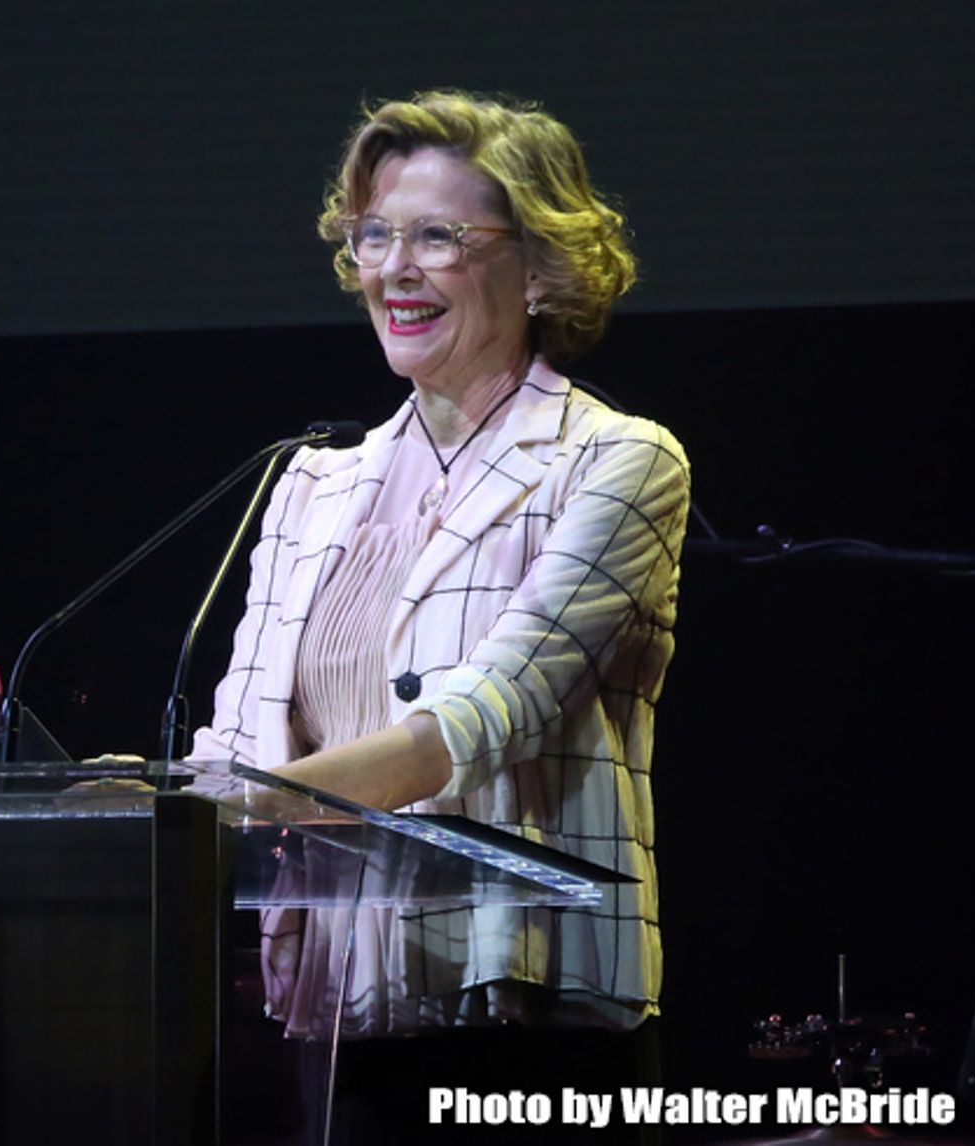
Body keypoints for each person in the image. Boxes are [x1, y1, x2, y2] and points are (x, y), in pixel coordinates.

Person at [188, 90, 689, 1143]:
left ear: (542, 264)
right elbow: (237, 741)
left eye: (437, 237)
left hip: (525, 1022)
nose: (392, 268)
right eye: (374, 235)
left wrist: (200, 816)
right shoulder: (309, 485)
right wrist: (138, 806)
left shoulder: (615, 461)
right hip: (335, 1027)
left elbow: (476, 720)